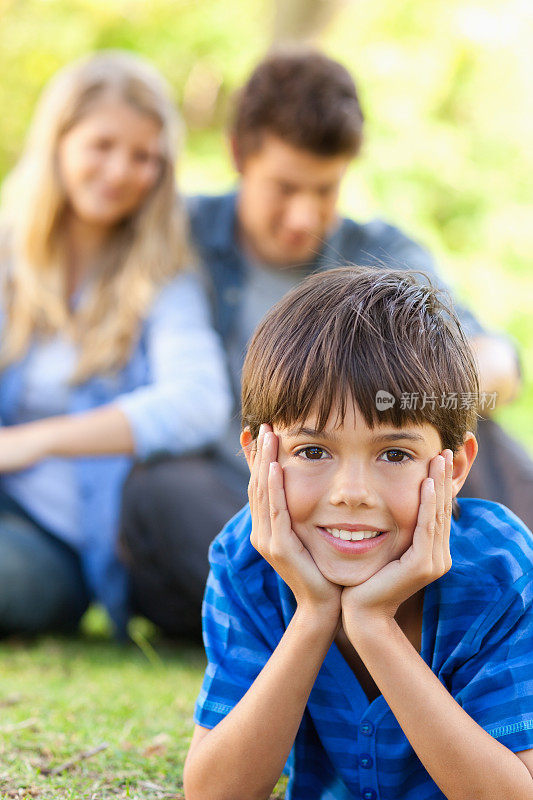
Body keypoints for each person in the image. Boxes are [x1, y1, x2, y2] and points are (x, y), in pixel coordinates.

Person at [120, 48, 531, 639]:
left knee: (470, 427)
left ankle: (475, 605)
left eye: (325, 190)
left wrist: (394, 398)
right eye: (284, 187)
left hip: (375, 502)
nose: (303, 215)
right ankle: (314, 619)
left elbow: (498, 361)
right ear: (239, 154)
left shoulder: (381, 249)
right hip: (239, 493)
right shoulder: (177, 236)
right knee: (158, 489)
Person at [183, 266, 533, 800]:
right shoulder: (247, 560)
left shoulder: (500, 568)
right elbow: (214, 792)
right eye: (313, 451)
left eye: (394, 454)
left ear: (455, 466)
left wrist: (372, 625)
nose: (352, 493)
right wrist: (314, 614)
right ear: (258, 455)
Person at [0, 51, 231, 638]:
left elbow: (199, 402)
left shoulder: (162, 276)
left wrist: (38, 441)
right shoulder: (9, 256)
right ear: (59, 142)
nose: (121, 171)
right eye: (102, 145)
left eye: (143, 157)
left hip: (62, 538)